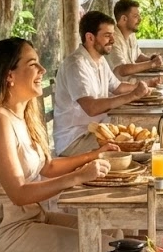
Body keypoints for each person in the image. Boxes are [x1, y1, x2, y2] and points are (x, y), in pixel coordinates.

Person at [0, 38, 115, 252]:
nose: (42, 70)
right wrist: (78, 177)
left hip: (28, 219)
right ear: (9, 75)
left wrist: (94, 155)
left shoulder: (22, 116)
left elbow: (47, 167)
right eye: (33, 63)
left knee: (111, 234)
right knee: (102, 249)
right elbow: (19, 193)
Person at [53, 10, 150, 155]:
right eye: (107, 35)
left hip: (98, 131)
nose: (113, 40)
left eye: (112, 34)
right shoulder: (76, 65)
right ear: (90, 37)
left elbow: (117, 87)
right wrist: (132, 95)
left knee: (139, 139)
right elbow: (91, 108)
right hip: (75, 139)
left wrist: (141, 88)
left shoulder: (99, 59)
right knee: (131, 147)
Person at [109, 0, 163, 79]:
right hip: (120, 89)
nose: (140, 19)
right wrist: (151, 64)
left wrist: (152, 59)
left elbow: (137, 57)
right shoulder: (111, 39)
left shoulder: (131, 34)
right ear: (124, 19)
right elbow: (122, 70)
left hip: (133, 83)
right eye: (135, 16)